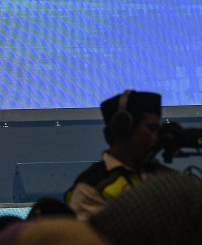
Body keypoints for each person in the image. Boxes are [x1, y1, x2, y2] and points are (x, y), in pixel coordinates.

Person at [67, 90, 168, 220]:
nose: (156, 138)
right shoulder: (90, 188)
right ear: (124, 128)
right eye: (151, 129)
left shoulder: (162, 176)